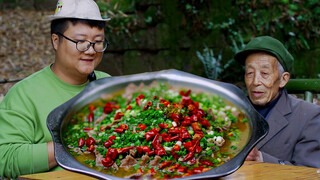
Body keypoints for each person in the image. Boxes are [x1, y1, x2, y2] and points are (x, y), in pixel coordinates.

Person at [0, 0, 111, 178]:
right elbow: (5, 159)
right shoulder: (24, 94)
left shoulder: (108, 84)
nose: (91, 51)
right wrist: (76, 140)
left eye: (98, 42)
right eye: (80, 41)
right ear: (56, 41)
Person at [234, 36, 320, 168]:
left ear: (283, 79)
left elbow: (309, 172)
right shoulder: (233, 109)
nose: (255, 81)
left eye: (264, 73)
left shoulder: (309, 116)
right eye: (250, 73)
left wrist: (260, 157)